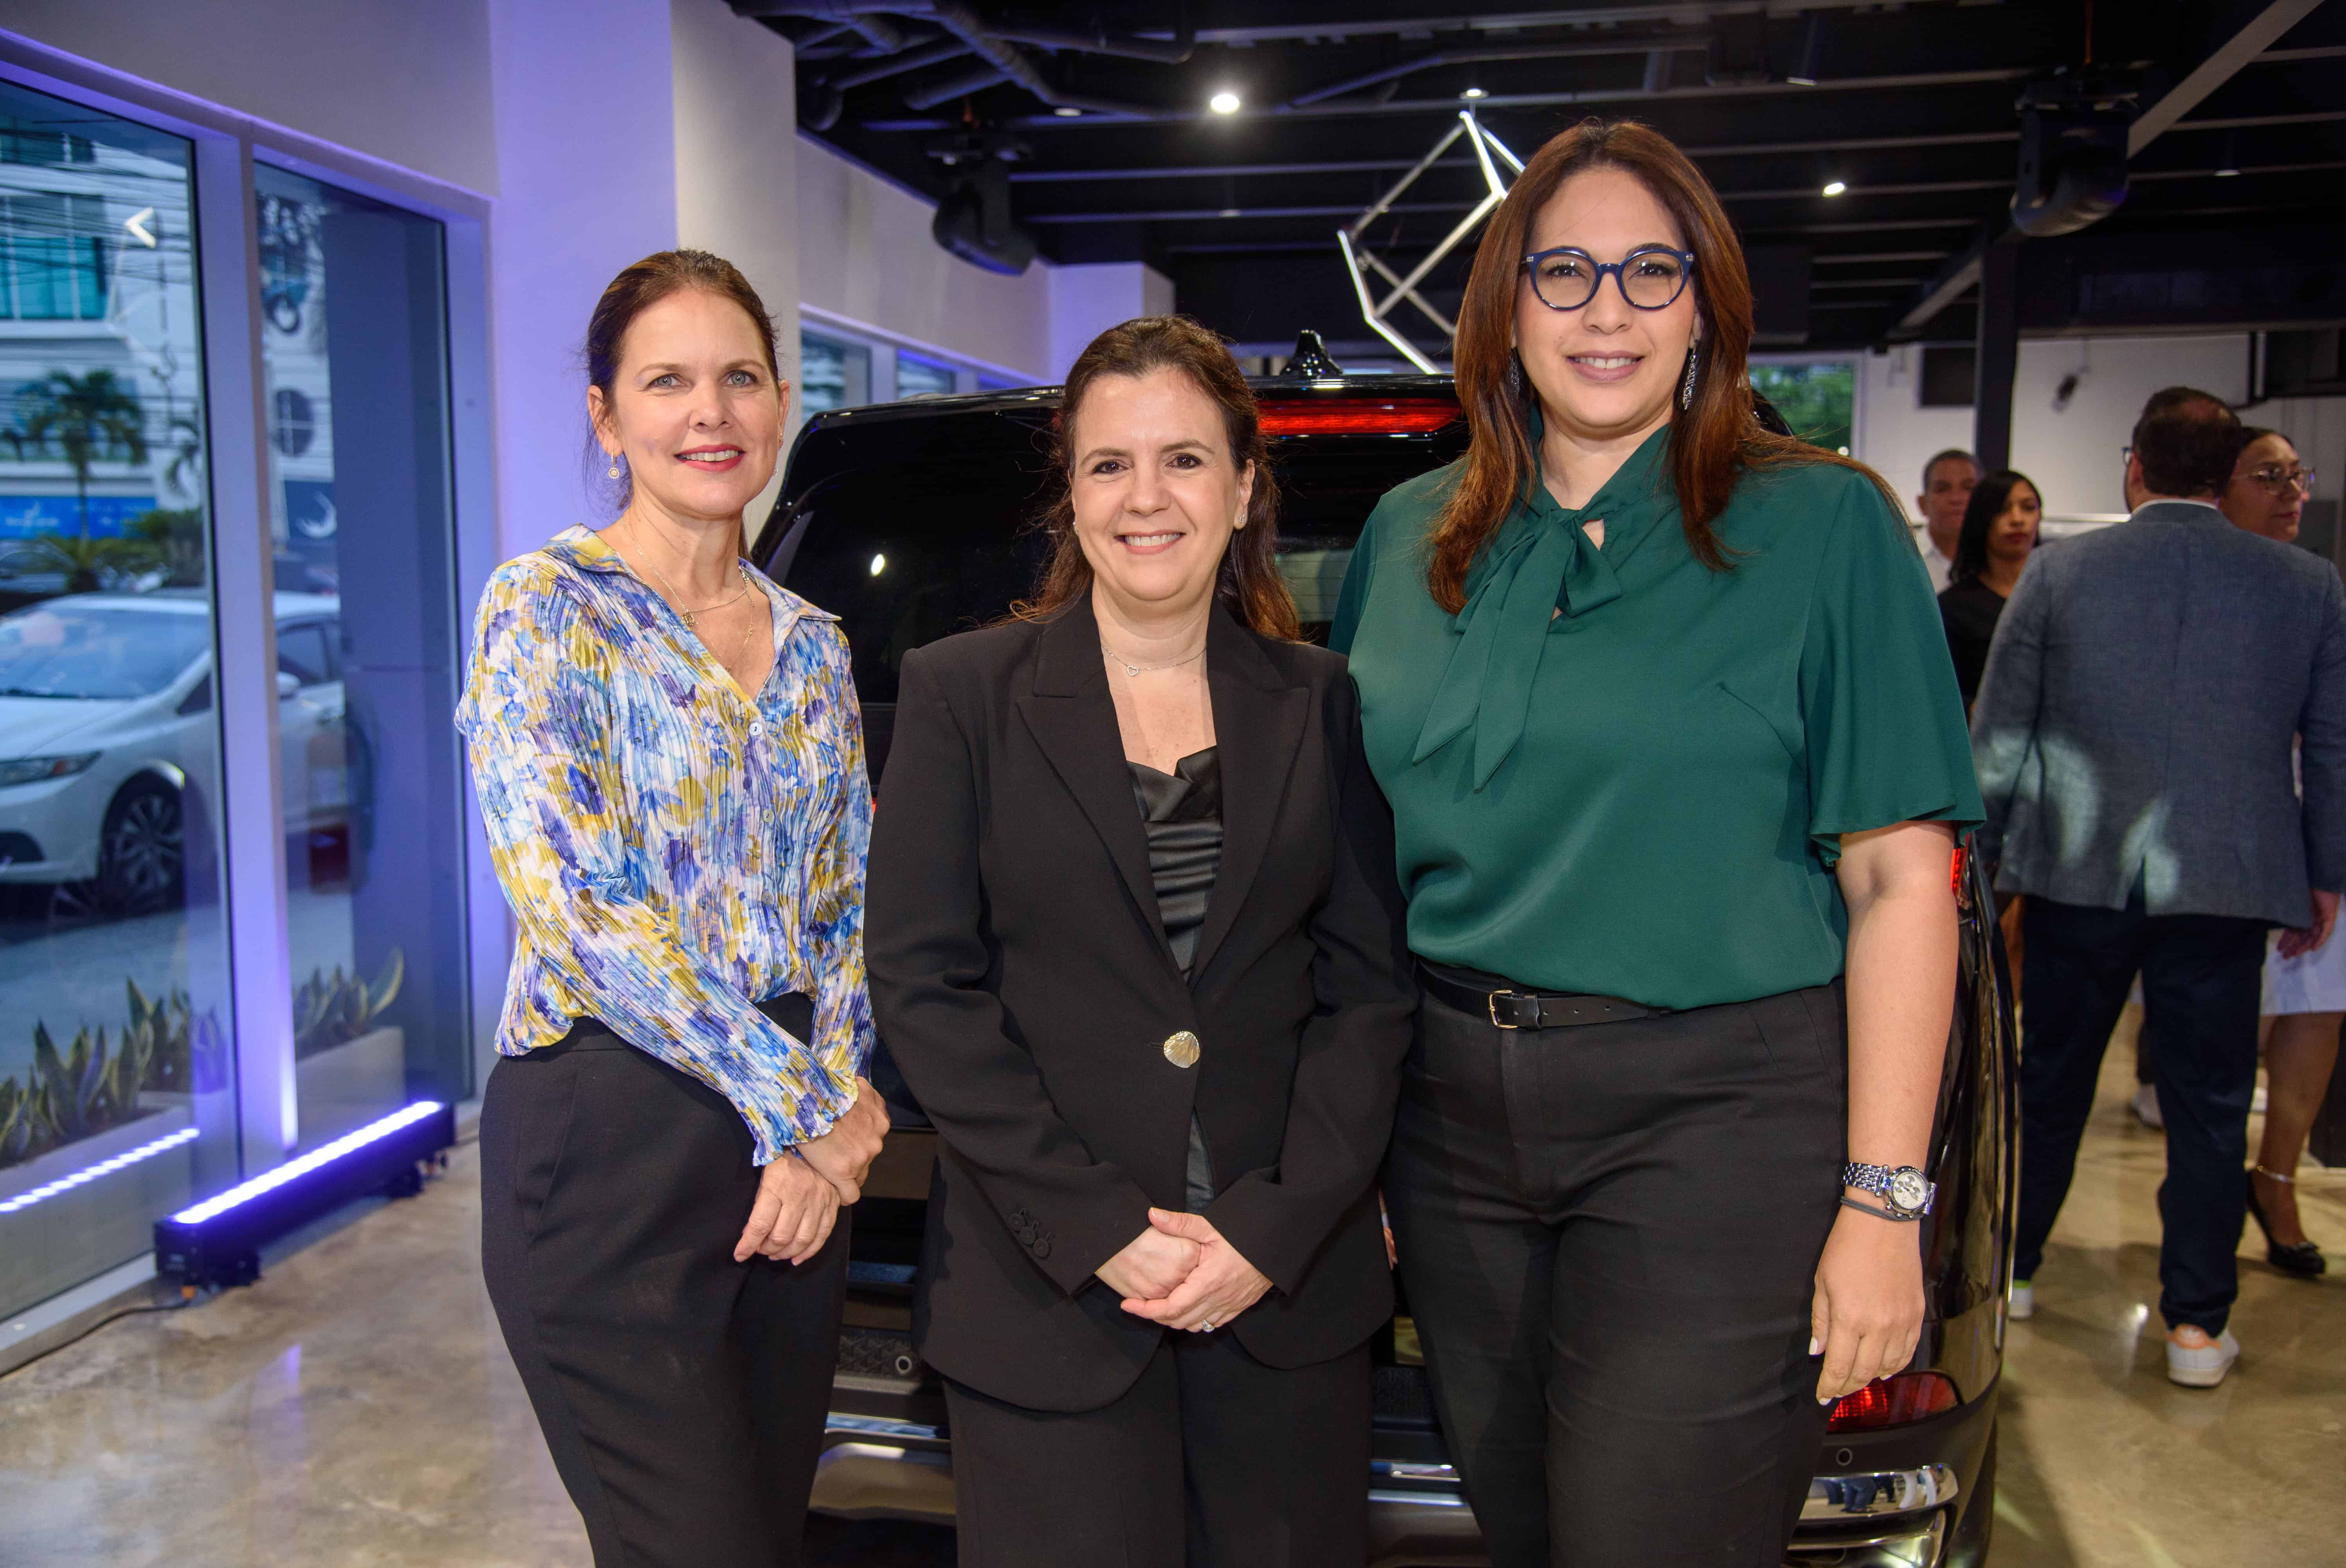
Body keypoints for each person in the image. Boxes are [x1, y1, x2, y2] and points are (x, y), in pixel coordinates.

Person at [1331, 120, 1981, 1566]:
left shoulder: (1821, 530)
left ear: (1704, 306)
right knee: (1522, 1531)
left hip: (1714, 1122)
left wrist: (1884, 1201)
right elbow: (1356, 876)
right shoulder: (1404, 534)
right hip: (1447, 1127)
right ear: (1505, 307)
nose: (1604, 309)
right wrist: (1351, 1145)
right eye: (1561, 273)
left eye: (1647, 271)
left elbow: (1896, 885)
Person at [864, 315, 1416, 1568]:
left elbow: (1369, 995)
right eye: (1109, 464)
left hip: (1280, 1300)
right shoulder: (963, 694)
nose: (1145, 498)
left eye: (1182, 460)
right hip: (1047, 1300)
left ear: (1241, 485)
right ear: (1069, 494)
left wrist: (1273, 1230)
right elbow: (923, 983)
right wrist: (1100, 1223)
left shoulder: (1319, 701)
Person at [458, 250, 889, 1566]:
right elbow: (581, 911)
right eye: (666, 381)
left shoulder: (815, 641)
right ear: (605, 414)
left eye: (738, 377)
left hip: (788, 1179)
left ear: (775, 401)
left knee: (768, 1531)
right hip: (609, 1139)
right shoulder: (546, 609)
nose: (710, 412)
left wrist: (826, 1108)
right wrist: (815, 1109)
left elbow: (844, 909)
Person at [1973, 387, 2346, 1387]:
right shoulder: (2306, 585)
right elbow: (2336, 744)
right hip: (2226, 881)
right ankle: (2193, 1323)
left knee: (2047, 1084)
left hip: (2075, 874)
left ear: (2132, 464)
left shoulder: (2056, 573)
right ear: (2226, 474)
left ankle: (2011, 1268)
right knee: (2208, 1100)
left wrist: (1984, 864)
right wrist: (2325, 873)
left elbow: (2002, 735)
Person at [2218, 428, 2334, 1276]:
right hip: (2219, 838)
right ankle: (2211, 1185)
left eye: (2297, 476)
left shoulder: (2316, 588)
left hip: (2309, 823)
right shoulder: (2200, 580)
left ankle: (2277, 1177)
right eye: (2270, 477)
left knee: (2315, 1006)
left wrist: (2327, 865)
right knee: (2225, 1023)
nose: (2291, 492)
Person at [1937, 468, 2043, 709]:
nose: (2017, 519)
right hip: (1983, 738)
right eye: (2002, 509)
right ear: (1981, 519)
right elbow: (1938, 690)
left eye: (2028, 507)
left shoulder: (2060, 596)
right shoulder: (1953, 607)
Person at [1916, 448, 1981, 590]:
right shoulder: (1901, 558)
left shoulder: (2000, 561)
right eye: (1943, 489)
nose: (1956, 498)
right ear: (1923, 504)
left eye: (1969, 488)